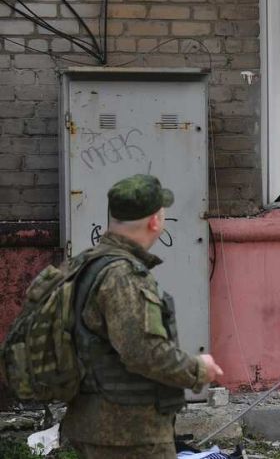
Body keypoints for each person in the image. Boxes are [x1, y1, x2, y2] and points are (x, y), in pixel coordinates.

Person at [60, 174, 224, 459]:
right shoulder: (123, 277)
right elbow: (142, 351)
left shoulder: (85, 264)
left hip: (94, 424)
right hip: (128, 434)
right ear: (154, 221)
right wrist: (198, 369)